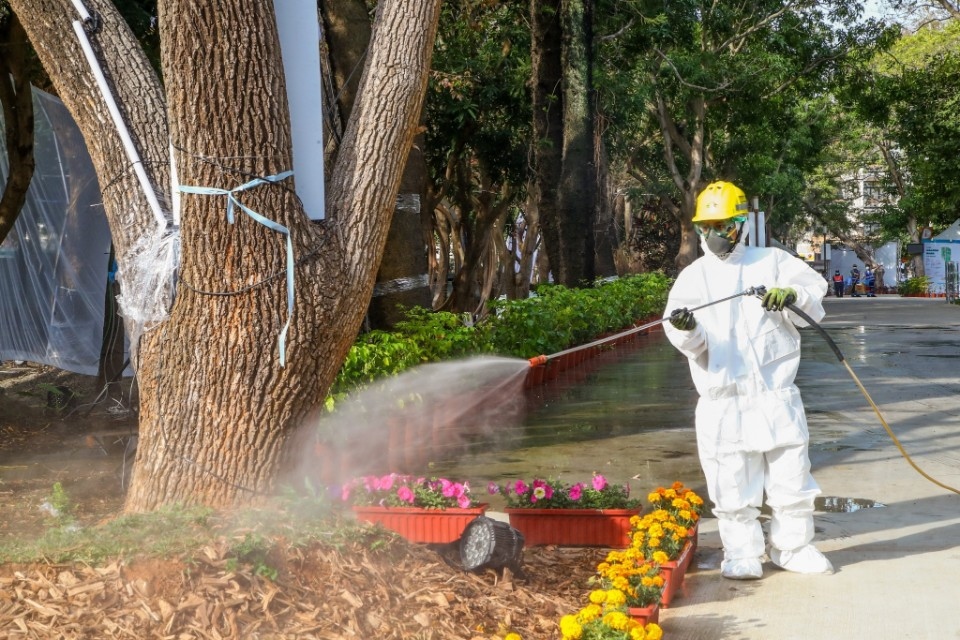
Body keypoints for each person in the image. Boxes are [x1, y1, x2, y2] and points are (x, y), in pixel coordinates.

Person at [663, 180, 834, 580]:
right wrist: (687, 328)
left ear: (739, 224)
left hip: (775, 395)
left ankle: (793, 547)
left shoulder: (772, 261)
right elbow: (684, 337)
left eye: (720, 225)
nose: (712, 234)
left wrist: (790, 295)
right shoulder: (693, 278)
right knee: (730, 479)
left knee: (791, 476)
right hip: (723, 398)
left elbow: (814, 289)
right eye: (705, 226)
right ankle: (741, 552)